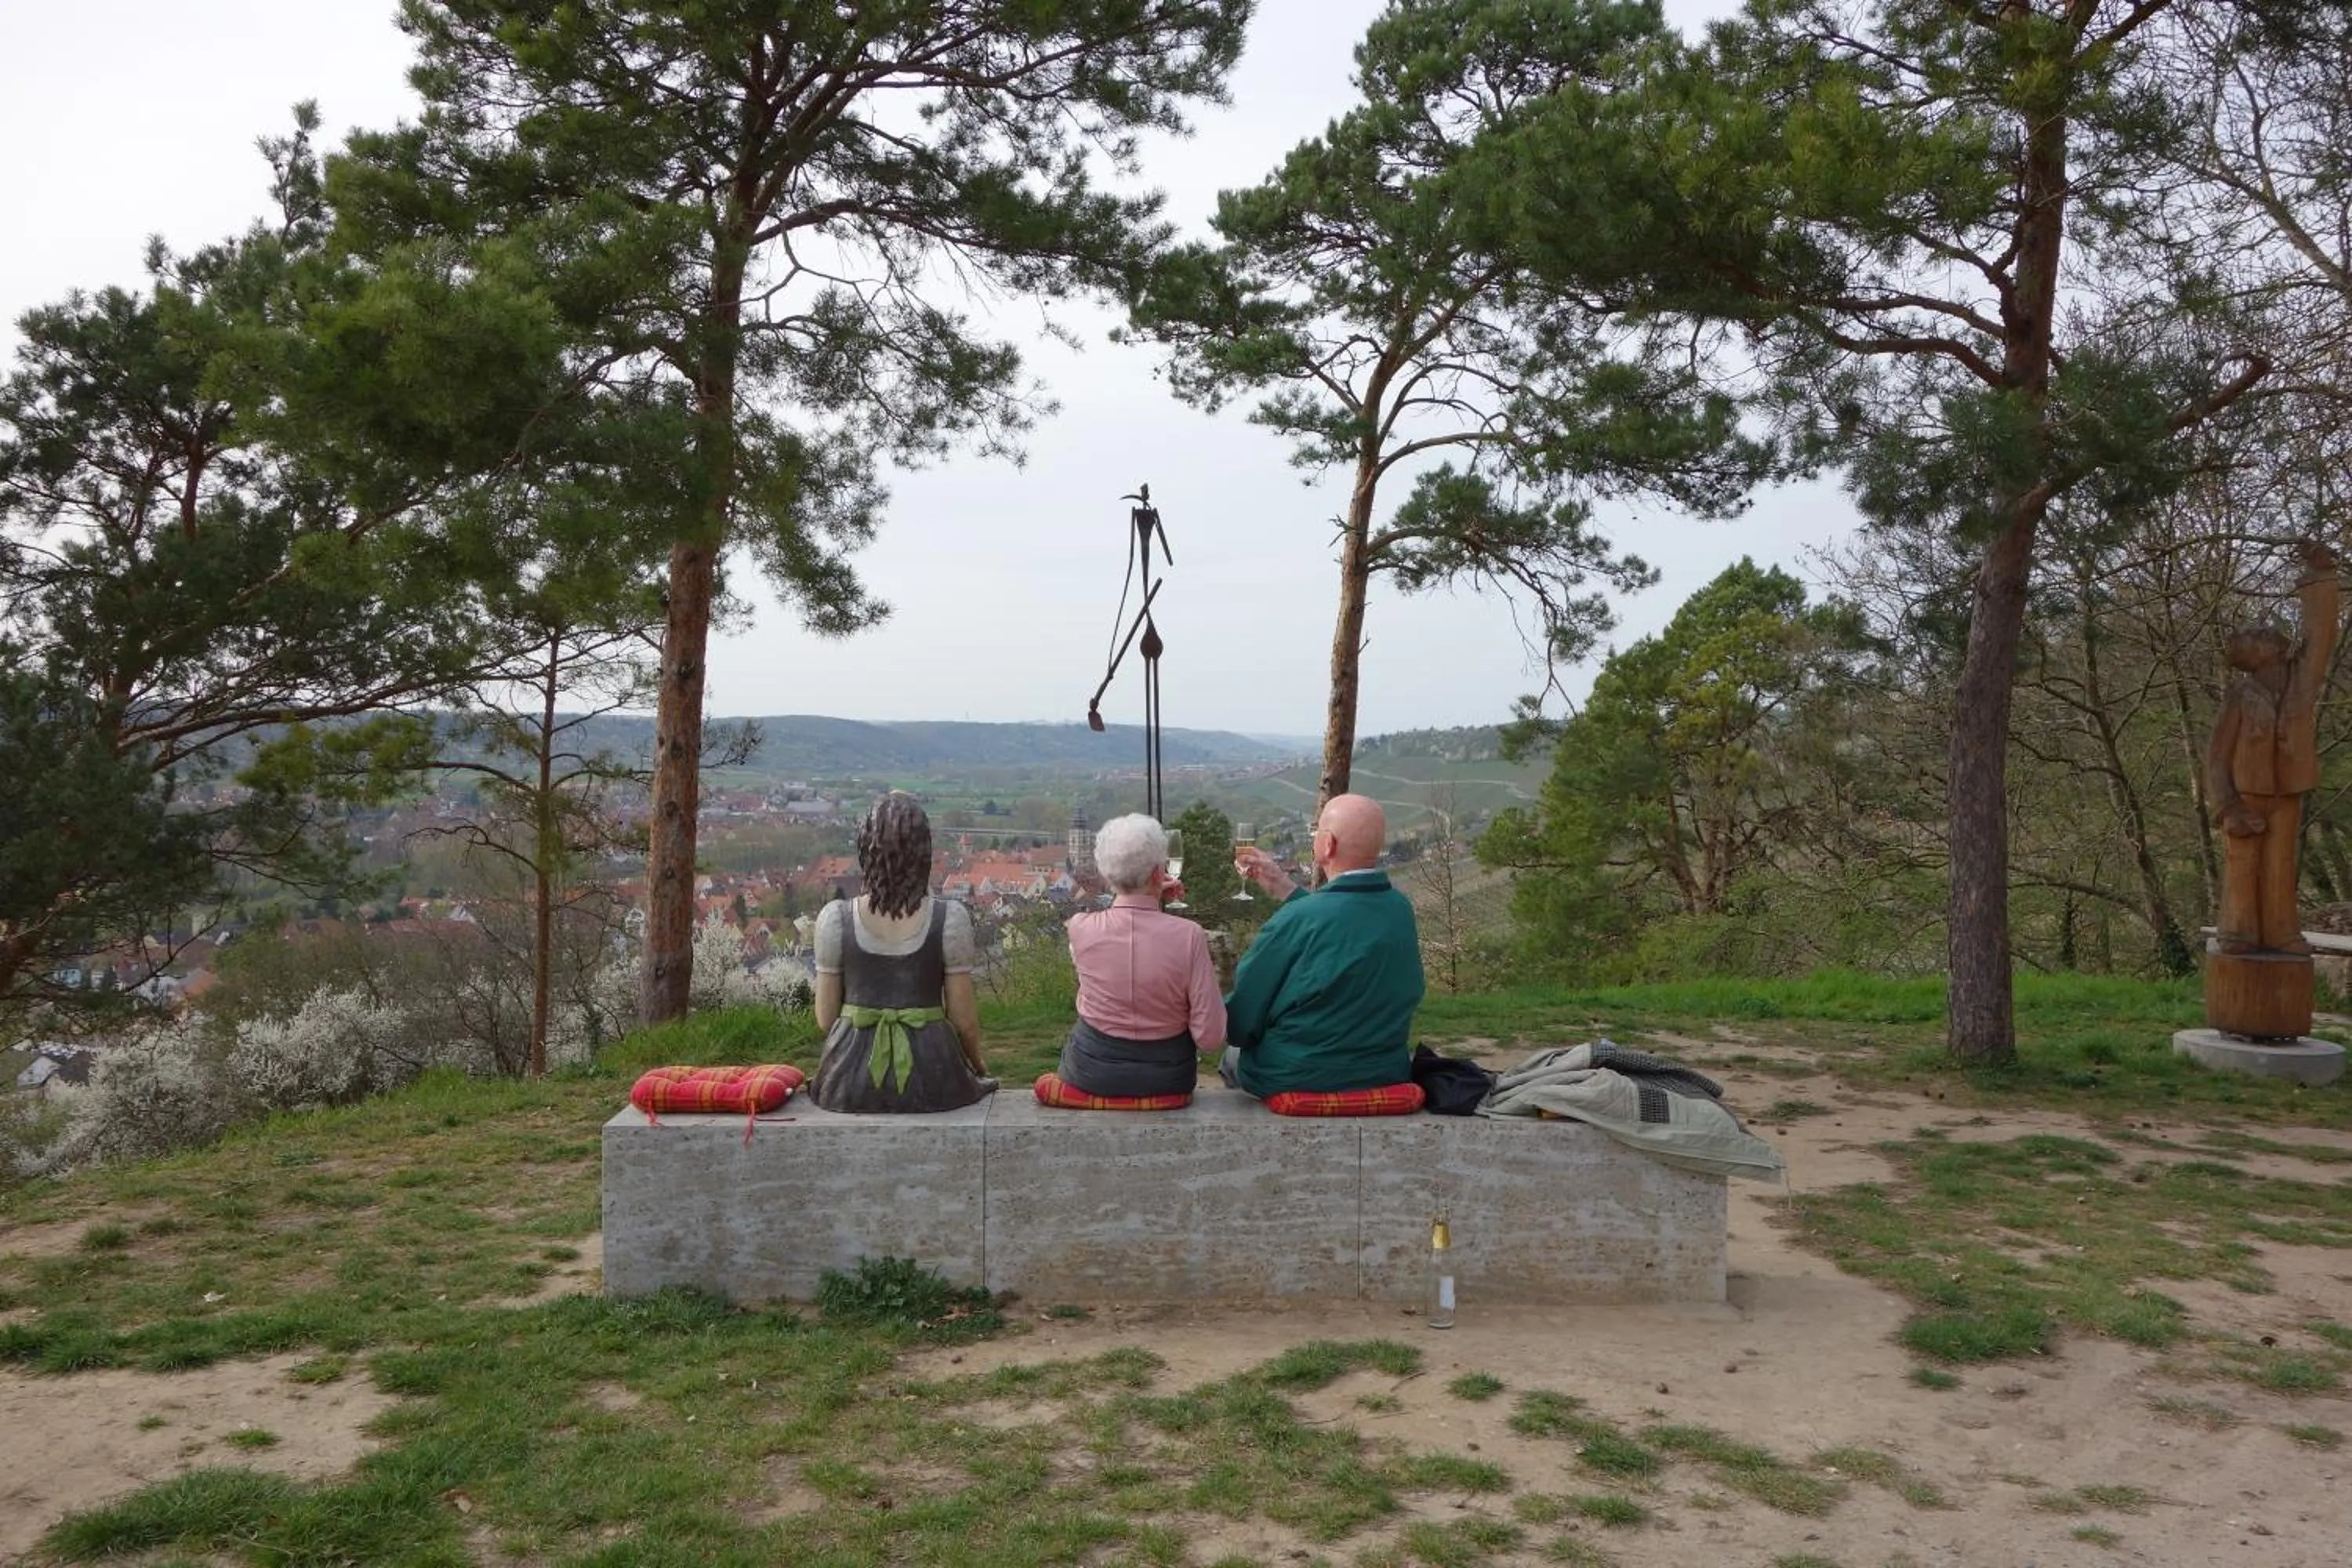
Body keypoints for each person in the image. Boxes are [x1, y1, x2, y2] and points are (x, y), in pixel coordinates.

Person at [1221, 793, 1425, 1097]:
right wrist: (1285, 888)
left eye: (1317, 832)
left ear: (1328, 844)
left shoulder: (1296, 920)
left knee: (1231, 1059)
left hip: (1295, 1076)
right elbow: (1345, 921)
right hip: (1384, 1073)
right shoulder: (1399, 909)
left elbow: (1240, 1024)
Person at [809, 793, 994, 1112]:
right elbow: (964, 1022)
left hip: (849, 1080)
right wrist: (976, 1066)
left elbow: (826, 1019)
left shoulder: (835, 919)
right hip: (935, 1075)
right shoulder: (949, 919)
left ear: (866, 850)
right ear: (923, 851)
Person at [2207, 539, 2342, 955]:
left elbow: (2322, 635)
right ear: (2254, 656)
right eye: (2257, 636)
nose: (2267, 635)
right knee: (2243, 863)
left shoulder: (2302, 681)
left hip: (2288, 791)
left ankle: (2282, 932)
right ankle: (2238, 931)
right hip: (2246, 794)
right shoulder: (2239, 696)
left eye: (2265, 634)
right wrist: (2229, 808)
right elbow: (2216, 758)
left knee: (2280, 865)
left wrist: (2322, 576)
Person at [1059, 814, 1227, 1097]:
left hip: (1090, 1074)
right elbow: (1210, 1038)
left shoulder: (1080, 929)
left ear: (1105, 873)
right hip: (1168, 1079)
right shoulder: (1189, 936)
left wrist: (1148, 889)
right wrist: (1152, 892)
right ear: (1158, 873)